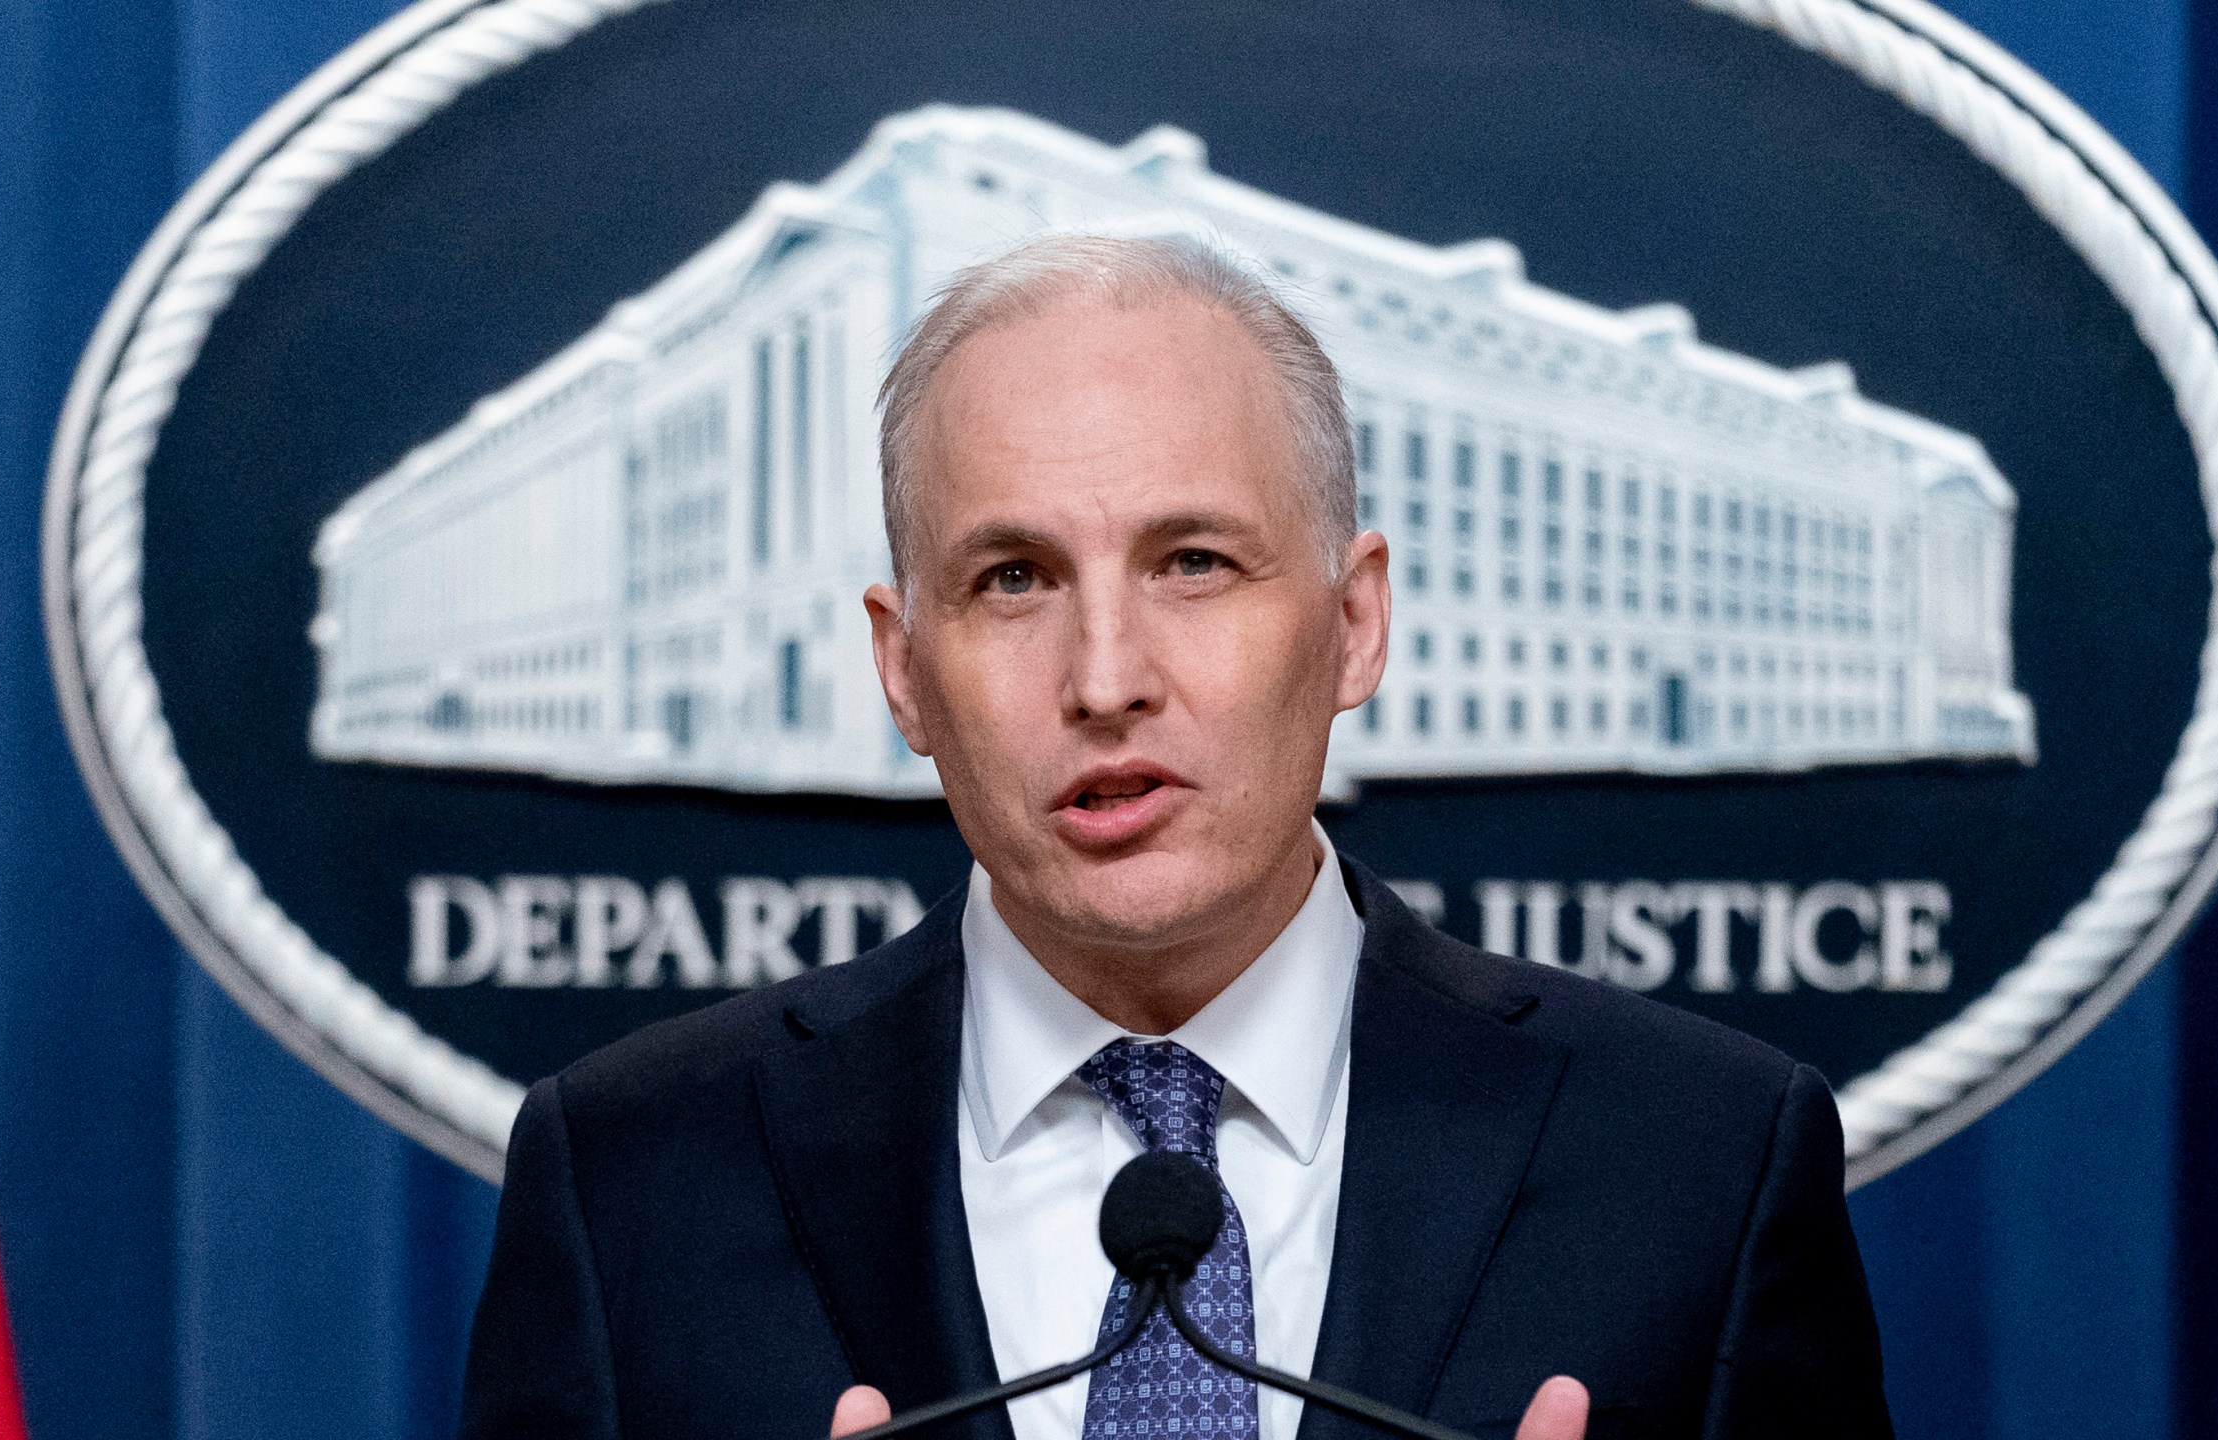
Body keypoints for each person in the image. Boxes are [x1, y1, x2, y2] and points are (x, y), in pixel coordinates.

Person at [458, 235, 1891, 1440]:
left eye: (1193, 563)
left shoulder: (1699, 1161)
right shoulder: (631, 1177)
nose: (1104, 677)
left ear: (1353, 620)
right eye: (1013, 579)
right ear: (904, 669)